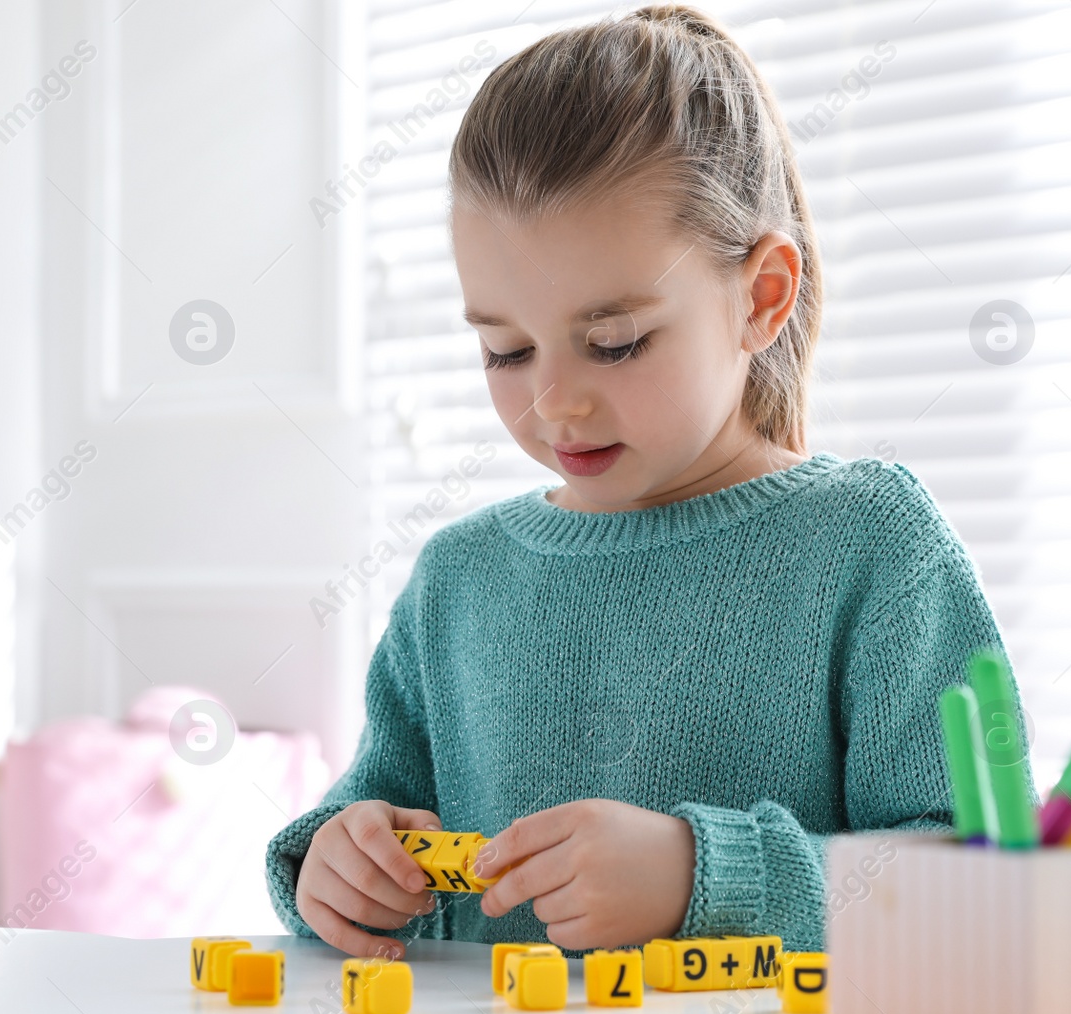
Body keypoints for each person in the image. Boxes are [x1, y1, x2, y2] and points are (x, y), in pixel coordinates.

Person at [266, 4, 1030, 960]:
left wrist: (700, 877)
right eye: (505, 349)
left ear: (761, 297)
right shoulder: (457, 582)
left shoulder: (871, 546)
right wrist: (330, 869)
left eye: (614, 343)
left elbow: (989, 893)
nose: (555, 403)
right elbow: (367, 830)